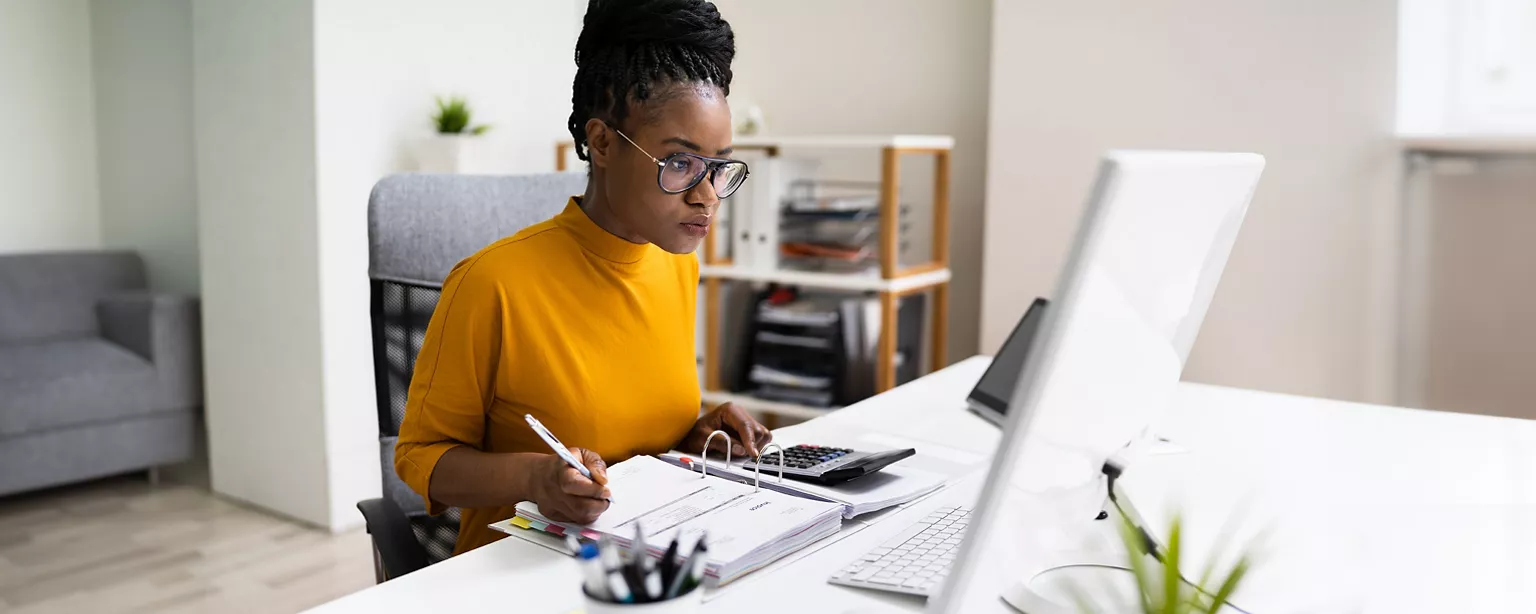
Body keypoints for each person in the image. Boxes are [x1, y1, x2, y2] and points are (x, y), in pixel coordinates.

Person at [393, 0, 771, 556]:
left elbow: (633, 426)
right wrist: (535, 478)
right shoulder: (490, 283)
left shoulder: (677, 263)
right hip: (520, 573)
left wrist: (697, 432)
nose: (707, 195)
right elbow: (419, 459)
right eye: (680, 163)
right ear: (603, 142)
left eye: (717, 167)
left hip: (644, 557)